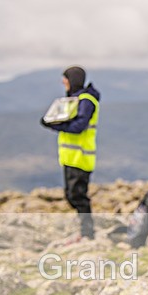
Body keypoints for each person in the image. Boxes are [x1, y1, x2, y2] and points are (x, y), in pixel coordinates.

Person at [41, 66, 100, 241]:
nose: (63, 82)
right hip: (70, 158)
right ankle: (84, 232)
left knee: (78, 196)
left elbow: (78, 126)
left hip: (81, 158)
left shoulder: (86, 101)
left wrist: (54, 125)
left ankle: (87, 234)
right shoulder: (76, 99)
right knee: (72, 195)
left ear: (73, 80)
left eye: (65, 78)